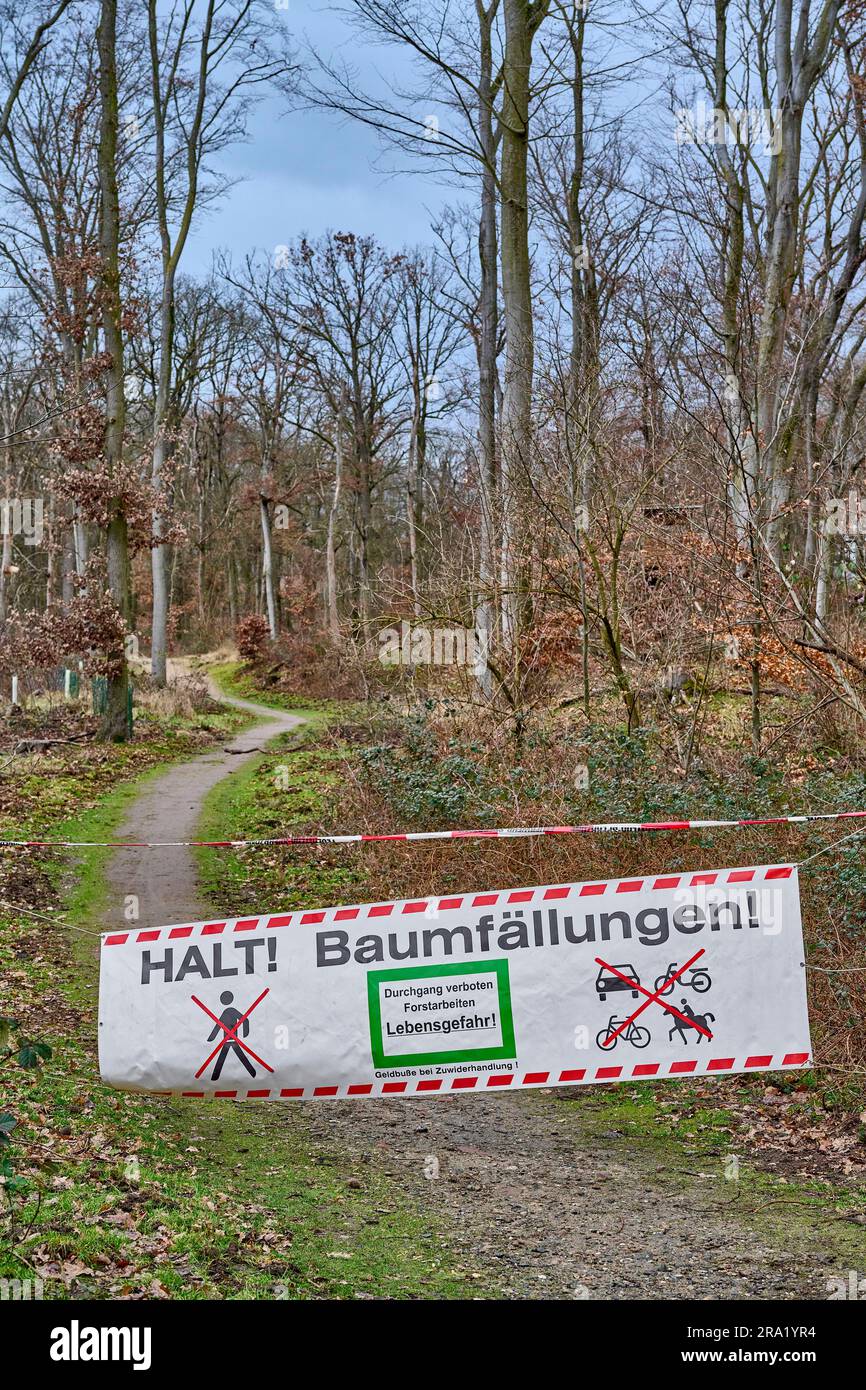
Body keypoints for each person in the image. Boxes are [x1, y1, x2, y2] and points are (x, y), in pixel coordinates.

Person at [209, 991, 256, 1079]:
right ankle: (215, 1076)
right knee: (223, 1058)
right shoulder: (226, 1012)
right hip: (227, 1040)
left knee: (238, 1057)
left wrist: (245, 1033)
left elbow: (245, 1020)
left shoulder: (231, 1011)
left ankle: (252, 1072)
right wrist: (211, 1037)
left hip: (233, 1039)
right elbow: (219, 1025)